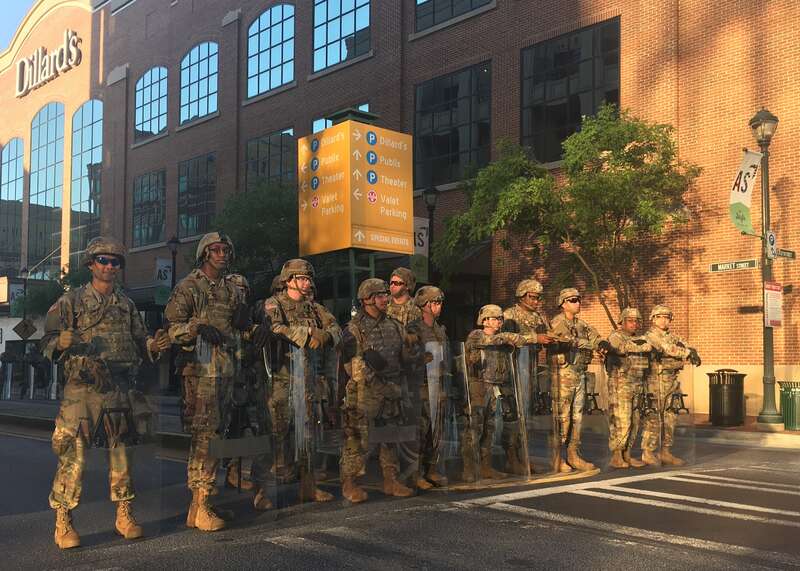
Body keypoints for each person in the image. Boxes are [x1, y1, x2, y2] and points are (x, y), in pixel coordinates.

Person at [42, 236, 170, 549]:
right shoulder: (70, 302)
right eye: (103, 261)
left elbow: (141, 342)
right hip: (82, 389)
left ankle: (124, 514)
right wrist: (60, 343)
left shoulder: (126, 305)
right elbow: (45, 344)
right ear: (91, 264)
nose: (110, 266)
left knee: (122, 453)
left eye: (115, 262)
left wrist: (153, 346)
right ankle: (64, 520)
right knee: (73, 454)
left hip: (120, 387)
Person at [165, 231, 245, 532]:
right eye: (216, 249)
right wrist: (197, 328)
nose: (222, 254)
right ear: (204, 253)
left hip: (225, 372)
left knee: (217, 437)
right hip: (200, 374)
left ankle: (200, 505)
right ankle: (201, 503)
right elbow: (171, 330)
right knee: (205, 440)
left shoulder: (231, 290)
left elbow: (237, 331)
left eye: (226, 249)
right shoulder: (188, 286)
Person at [253, 258, 340, 505]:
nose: (307, 282)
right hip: (280, 381)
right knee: (275, 435)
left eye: (308, 278)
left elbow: (337, 329)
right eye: (302, 278)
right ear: (289, 280)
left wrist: (326, 335)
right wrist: (309, 333)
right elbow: (275, 328)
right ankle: (261, 492)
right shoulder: (274, 304)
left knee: (308, 434)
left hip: (307, 382)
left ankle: (308, 486)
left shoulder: (315, 308)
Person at [339, 278, 420, 503]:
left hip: (392, 391)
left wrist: (414, 355)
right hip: (364, 394)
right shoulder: (354, 329)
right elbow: (353, 368)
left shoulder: (394, 325)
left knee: (390, 438)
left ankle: (390, 480)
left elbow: (404, 355)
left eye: (386, 294)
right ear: (367, 299)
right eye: (381, 295)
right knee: (357, 439)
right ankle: (350, 483)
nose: (386, 299)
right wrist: (383, 386)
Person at [462, 305, 536, 482]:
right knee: (474, 428)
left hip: (496, 387)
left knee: (489, 429)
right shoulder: (476, 335)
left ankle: (485, 466)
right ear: (485, 320)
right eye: (495, 318)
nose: (498, 322)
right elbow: (488, 342)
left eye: (500, 319)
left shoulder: (500, 340)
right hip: (478, 387)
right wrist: (509, 338)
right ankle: (469, 467)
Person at [549, 288, 611, 472]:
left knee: (577, 417)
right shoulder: (557, 322)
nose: (578, 303)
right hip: (563, 375)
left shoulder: (582, 324)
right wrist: (591, 343)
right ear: (563, 303)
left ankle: (573, 454)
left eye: (578, 300)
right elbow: (567, 340)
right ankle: (557, 457)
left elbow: (595, 336)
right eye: (573, 300)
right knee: (563, 418)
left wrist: (602, 344)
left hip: (579, 373)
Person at [641, 305, 701, 466]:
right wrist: (687, 353)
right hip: (656, 381)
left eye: (667, 317)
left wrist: (692, 351)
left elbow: (686, 345)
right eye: (660, 316)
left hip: (672, 380)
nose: (663, 320)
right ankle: (648, 451)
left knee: (670, 417)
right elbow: (667, 348)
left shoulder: (673, 336)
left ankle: (665, 451)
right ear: (653, 318)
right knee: (654, 417)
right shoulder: (650, 336)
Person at [406, 286, 448, 489]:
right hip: (421, 386)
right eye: (436, 302)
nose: (439, 306)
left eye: (440, 302)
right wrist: (420, 359)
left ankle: (431, 468)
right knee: (420, 432)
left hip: (437, 384)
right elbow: (406, 357)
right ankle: (415, 473)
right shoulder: (413, 329)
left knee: (436, 431)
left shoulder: (440, 329)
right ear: (425, 305)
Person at [605, 308, 653, 469]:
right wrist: (640, 346)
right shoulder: (615, 336)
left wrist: (639, 345)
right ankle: (617, 455)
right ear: (622, 321)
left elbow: (649, 346)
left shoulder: (640, 338)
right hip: (621, 384)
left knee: (635, 420)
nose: (635, 324)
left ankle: (627, 453)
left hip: (637, 383)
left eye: (637, 321)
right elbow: (621, 347)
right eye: (631, 320)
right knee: (621, 420)